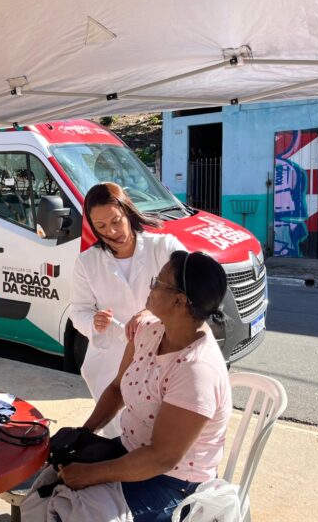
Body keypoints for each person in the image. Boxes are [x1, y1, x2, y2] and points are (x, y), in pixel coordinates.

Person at [22, 251, 232, 522]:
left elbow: (162, 458)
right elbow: (117, 389)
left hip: (171, 482)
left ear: (180, 301)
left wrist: (90, 474)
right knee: (49, 483)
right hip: (129, 450)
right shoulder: (149, 330)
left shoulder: (196, 370)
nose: (151, 286)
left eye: (158, 283)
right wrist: (83, 435)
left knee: (73, 511)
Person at [70, 182, 184, 437]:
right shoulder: (87, 262)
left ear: (128, 212)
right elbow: (78, 310)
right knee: (118, 435)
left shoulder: (163, 247)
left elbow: (189, 288)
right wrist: (93, 321)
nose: (111, 231)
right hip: (111, 361)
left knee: (156, 435)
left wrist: (153, 312)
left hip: (161, 356)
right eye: (101, 226)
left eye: (116, 221)